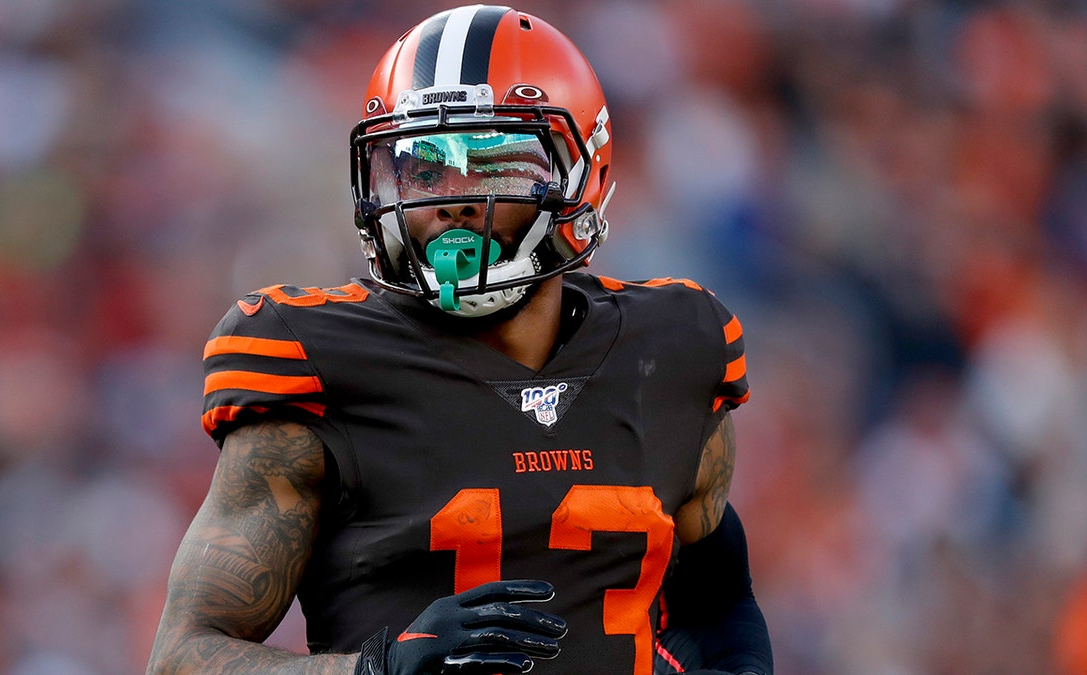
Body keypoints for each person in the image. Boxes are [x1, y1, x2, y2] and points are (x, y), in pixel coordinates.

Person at [147, 5, 773, 674]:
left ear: (579, 172)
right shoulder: (315, 360)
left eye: (493, 161)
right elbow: (184, 656)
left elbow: (717, 597)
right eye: (423, 170)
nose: (451, 199)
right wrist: (374, 670)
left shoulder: (671, 346)